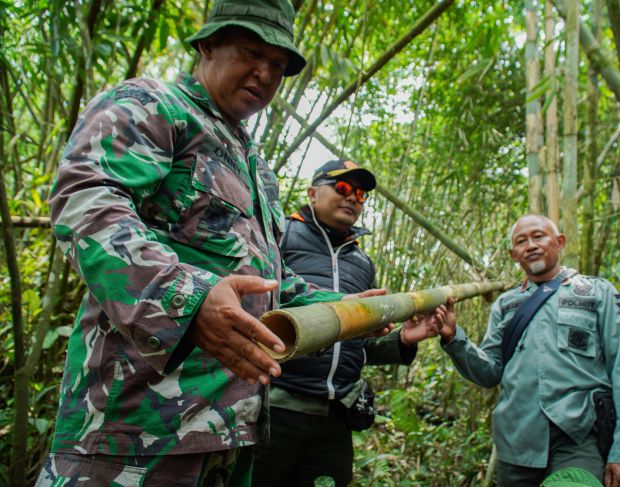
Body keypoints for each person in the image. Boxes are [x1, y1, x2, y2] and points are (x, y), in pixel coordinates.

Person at [35, 2, 374, 485]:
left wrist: (346, 308)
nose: (264, 74)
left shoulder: (255, 168)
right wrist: (187, 300)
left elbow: (272, 284)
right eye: (251, 53)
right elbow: (86, 201)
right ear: (208, 44)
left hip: (229, 435)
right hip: (133, 433)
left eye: (278, 66)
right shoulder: (153, 105)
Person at [252, 160, 442, 487]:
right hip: (273, 405)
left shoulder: (362, 261)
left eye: (360, 194)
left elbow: (358, 345)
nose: (352, 198)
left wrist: (403, 340)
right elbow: (256, 298)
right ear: (312, 193)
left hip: (335, 416)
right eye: (342, 188)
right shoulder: (280, 233)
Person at [438, 215, 620, 487]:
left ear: (559, 242)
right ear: (514, 254)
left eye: (539, 236)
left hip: (579, 435)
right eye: (521, 241)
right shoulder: (506, 305)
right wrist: (454, 338)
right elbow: (490, 372)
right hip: (516, 442)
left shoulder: (597, 292)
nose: (531, 245)